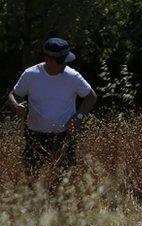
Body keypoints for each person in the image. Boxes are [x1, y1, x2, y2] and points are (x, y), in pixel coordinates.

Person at [7, 37, 97, 179]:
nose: (64, 65)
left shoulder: (72, 76)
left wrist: (78, 118)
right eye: (61, 61)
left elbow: (91, 97)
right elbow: (13, 95)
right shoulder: (30, 74)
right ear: (47, 59)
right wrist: (16, 107)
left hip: (63, 137)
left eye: (65, 61)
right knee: (33, 181)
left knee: (63, 183)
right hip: (34, 136)